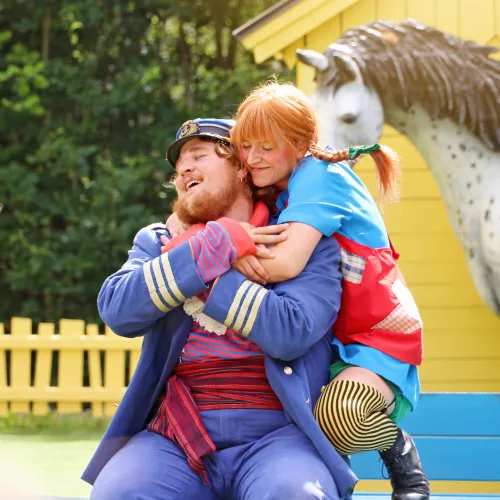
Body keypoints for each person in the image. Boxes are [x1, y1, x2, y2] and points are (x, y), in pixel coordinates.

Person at [82, 118, 358, 500]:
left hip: (278, 434)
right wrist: (210, 246)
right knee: (120, 495)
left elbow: (292, 332)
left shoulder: (300, 239)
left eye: (199, 156)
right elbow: (117, 311)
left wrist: (212, 263)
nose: (184, 170)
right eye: (179, 167)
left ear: (244, 168)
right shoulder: (159, 240)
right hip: (176, 433)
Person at [227, 82, 431, 500]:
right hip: (331, 337)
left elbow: (284, 264)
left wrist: (217, 250)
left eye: (266, 146)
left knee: (340, 414)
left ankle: (401, 456)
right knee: (305, 423)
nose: (252, 158)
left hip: (376, 333)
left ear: (300, 144)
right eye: (246, 147)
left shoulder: (318, 176)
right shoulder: (283, 187)